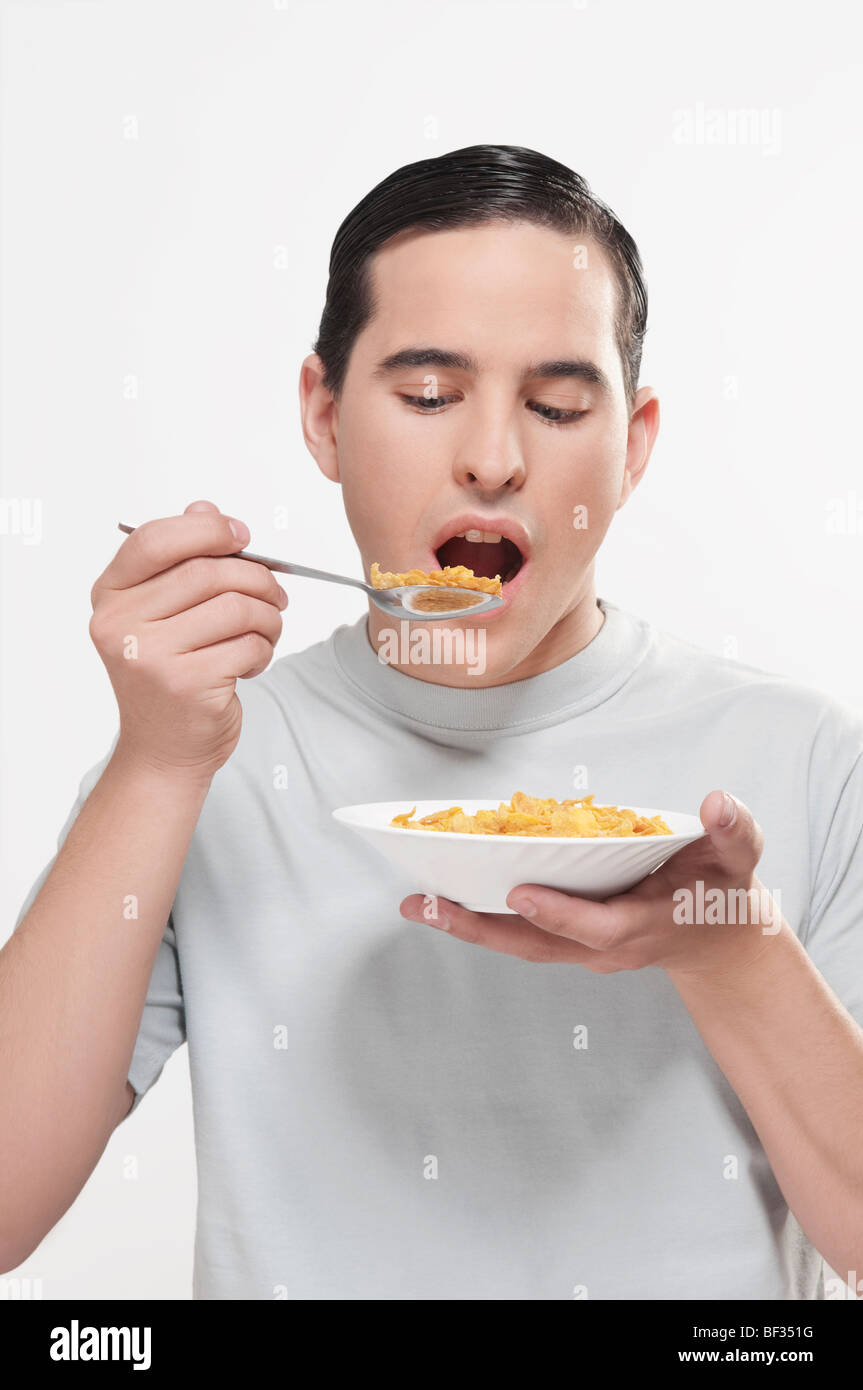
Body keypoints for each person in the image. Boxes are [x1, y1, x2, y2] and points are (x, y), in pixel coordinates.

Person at [3, 145, 862, 1300]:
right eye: (425, 395)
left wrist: (729, 947)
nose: (494, 458)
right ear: (323, 415)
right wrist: (156, 767)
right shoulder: (205, 750)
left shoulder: (800, 756)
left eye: (556, 405)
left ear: (634, 444)